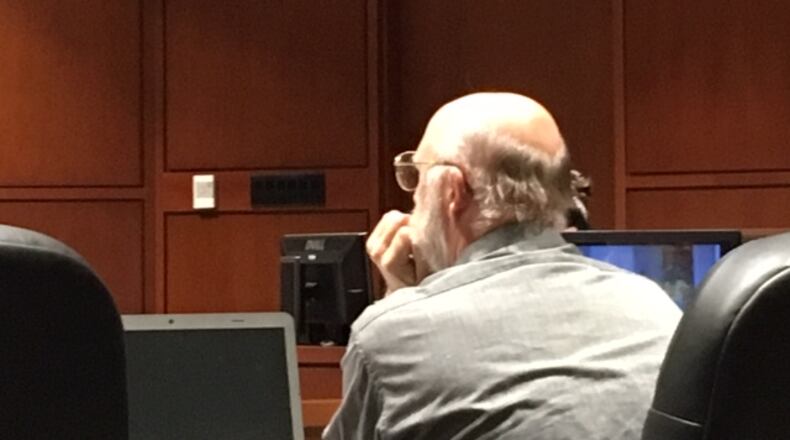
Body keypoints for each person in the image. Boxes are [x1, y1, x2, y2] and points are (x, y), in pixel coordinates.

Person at [323, 92, 680, 440]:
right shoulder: (653, 303)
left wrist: (399, 301)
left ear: (452, 191)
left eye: (415, 177)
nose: (413, 200)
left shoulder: (389, 336)